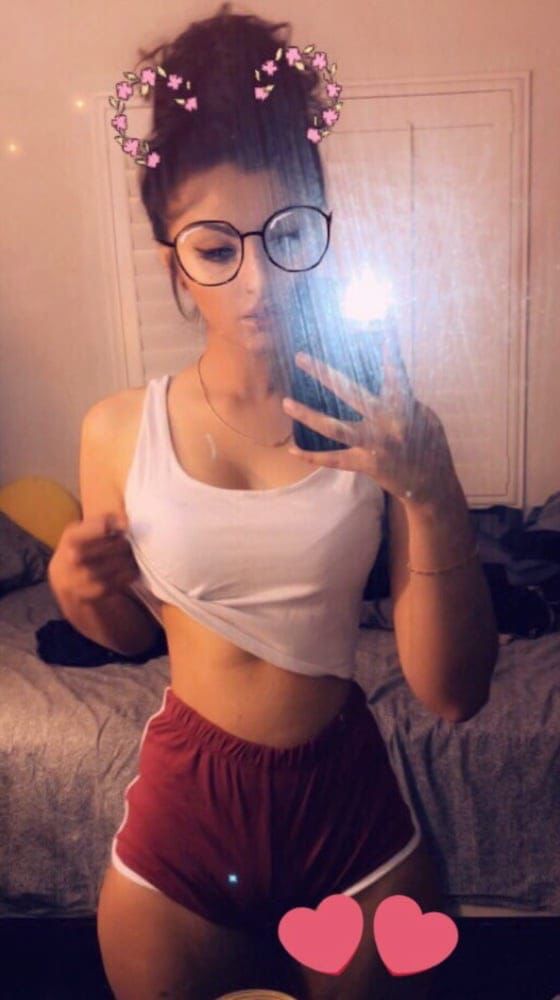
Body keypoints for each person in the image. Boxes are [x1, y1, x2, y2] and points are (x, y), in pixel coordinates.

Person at [49, 4, 498, 998]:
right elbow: (129, 635)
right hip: (185, 816)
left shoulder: (384, 426)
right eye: (217, 250)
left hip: (347, 807)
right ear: (173, 261)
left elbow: (452, 693)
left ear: (322, 230)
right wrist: (78, 591)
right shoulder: (117, 430)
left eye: (288, 234)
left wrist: (431, 490)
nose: (257, 282)